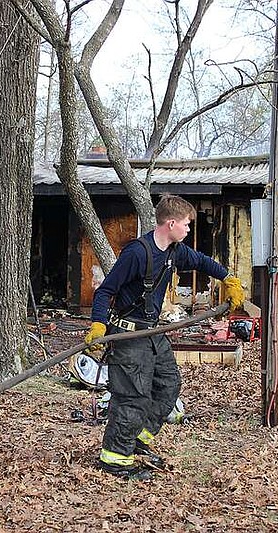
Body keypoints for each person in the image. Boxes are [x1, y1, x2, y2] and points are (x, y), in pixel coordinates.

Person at [85, 194, 245, 480]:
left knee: (168, 385)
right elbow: (105, 291)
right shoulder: (136, 253)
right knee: (132, 396)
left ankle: (137, 440)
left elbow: (203, 261)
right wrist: (98, 325)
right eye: (185, 224)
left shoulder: (175, 251)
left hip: (152, 333)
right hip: (128, 334)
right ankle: (115, 459)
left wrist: (228, 279)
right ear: (170, 223)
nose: (188, 230)